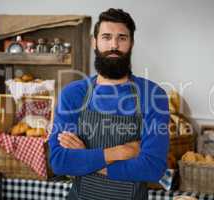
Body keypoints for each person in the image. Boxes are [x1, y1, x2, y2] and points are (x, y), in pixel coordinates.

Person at [48, 8, 169, 200]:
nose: (114, 45)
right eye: (106, 37)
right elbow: (59, 162)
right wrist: (122, 151)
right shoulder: (73, 94)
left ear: (131, 44)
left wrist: (86, 159)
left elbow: (152, 169)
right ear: (94, 42)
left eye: (122, 38)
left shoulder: (154, 96)